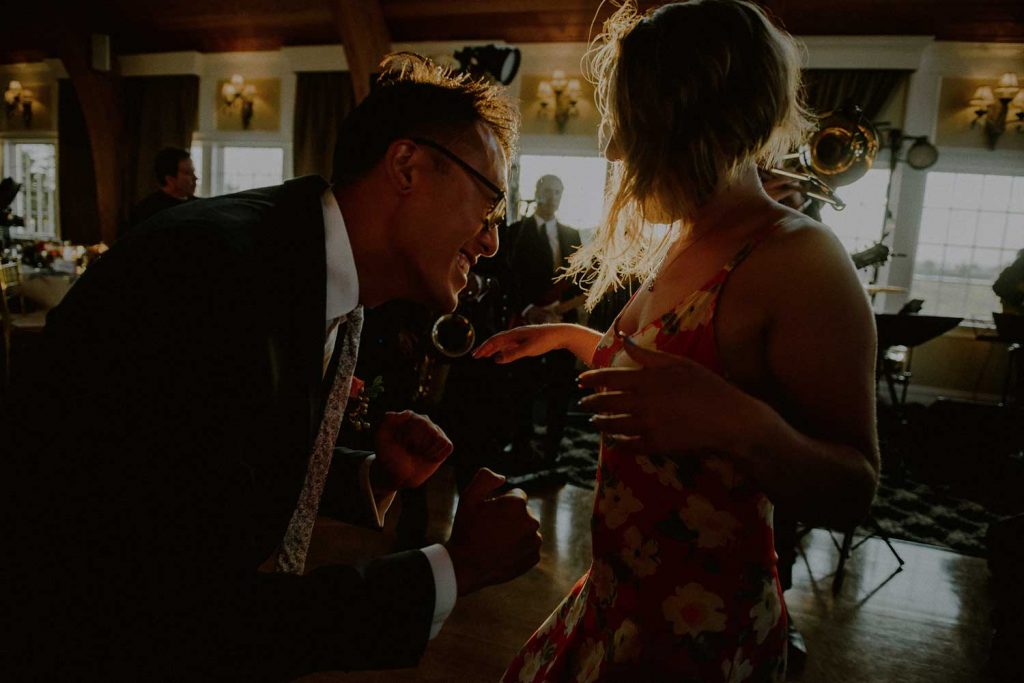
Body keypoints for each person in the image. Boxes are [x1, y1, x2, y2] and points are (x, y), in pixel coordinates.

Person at [4, 54, 542, 680]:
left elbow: (211, 463)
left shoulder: (324, 274)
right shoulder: (210, 277)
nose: (491, 240)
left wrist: (366, 476)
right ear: (406, 167)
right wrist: (458, 567)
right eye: (490, 202)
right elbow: (181, 611)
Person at [475, 1, 880, 680]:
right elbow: (667, 378)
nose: (610, 150)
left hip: (697, 638)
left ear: (694, 122)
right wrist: (575, 337)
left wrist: (735, 420)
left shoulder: (800, 259)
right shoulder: (687, 238)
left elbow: (855, 488)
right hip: (611, 602)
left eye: (628, 127)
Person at [503, 174, 583, 463]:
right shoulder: (515, 232)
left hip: (562, 320)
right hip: (527, 319)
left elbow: (581, 279)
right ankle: (521, 444)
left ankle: (553, 447)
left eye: (558, 192)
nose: (552, 197)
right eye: (547, 191)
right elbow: (507, 280)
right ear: (536, 192)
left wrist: (562, 307)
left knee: (561, 385)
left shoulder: (572, 235)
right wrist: (525, 309)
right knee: (522, 384)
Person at [128, 146, 199, 230]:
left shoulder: (198, 207)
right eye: (187, 173)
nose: (195, 178)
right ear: (170, 180)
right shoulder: (147, 211)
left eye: (193, 172)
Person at [993, 248, 1024, 315]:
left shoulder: (1010, 271)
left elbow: (997, 287)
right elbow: (997, 287)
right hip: (1011, 306)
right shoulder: (1011, 272)